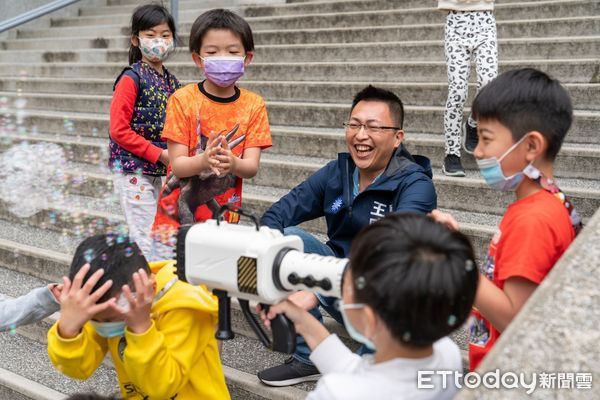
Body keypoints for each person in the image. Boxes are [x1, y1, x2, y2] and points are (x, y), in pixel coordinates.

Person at [258, 85, 437, 386]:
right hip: (341, 287)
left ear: (397, 138)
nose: (361, 135)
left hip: (392, 299)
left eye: (374, 127)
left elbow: (393, 257)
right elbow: (278, 214)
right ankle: (308, 357)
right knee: (283, 239)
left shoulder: (416, 185)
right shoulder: (337, 173)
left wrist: (316, 291)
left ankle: (375, 364)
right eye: (354, 124)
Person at [432, 68, 582, 371]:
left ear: (531, 146)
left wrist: (455, 261)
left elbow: (515, 319)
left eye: (486, 138)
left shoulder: (533, 219)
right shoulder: (545, 204)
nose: (477, 151)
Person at [261, 213, 478, 399]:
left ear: (369, 318)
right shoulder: (444, 353)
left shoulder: (333, 394)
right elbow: (360, 376)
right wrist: (304, 322)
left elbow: (351, 387)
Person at [47, 235, 230, 400]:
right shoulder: (107, 304)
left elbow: (162, 386)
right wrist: (69, 330)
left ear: (145, 289)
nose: (103, 326)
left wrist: (142, 328)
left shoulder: (185, 305)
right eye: (95, 319)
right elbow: (79, 368)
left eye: (110, 320)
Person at [151, 8, 272, 258]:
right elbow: (179, 166)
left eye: (232, 51)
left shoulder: (254, 104)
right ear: (198, 58)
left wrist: (233, 162)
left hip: (223, 223)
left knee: (213, 291)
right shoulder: (182, 100)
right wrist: (204, 161)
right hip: (174, 222)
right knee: (171, 289)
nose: (223, 57)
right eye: (213, 52)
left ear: (247, 57)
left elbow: (250, 167)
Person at [108, 4, 180, 260]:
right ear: (136, 39)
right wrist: (158, 154)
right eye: (150, 35)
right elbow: (118, 130)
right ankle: (148, 292)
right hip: (133, 171)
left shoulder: (172, 82)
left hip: (156, 170)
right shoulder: (131, 78)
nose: (158, 41)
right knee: (147, 237)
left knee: (157, 234)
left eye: (164, 34)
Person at [439, 0, 498, 176]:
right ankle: (451, 154)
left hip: (485, 21)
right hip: (456, 22)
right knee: (457, 91)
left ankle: (473, 123)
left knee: (489, 84)